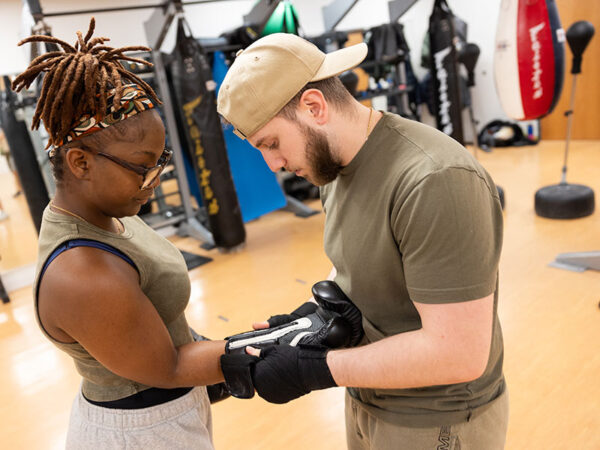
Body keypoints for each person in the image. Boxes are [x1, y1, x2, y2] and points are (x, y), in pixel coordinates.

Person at [217, 33, 508, 449]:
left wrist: (312, 369)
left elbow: (458, 353)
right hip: (368, 398)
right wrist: (317, 321)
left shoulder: (434, 180)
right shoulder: (332, 167)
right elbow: (364, 266)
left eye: (272, 144)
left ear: (314, 107)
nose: (274, 165)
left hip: (435, 421)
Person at [13, 19, 225, 449]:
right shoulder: (81, 272)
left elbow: (163, 322)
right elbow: (166, 367)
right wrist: (275, 353)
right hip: (141, 431)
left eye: (160, 159)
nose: (154, 179)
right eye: (142, 166)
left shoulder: (114, 213)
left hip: (171, 411)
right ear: (80, 163)